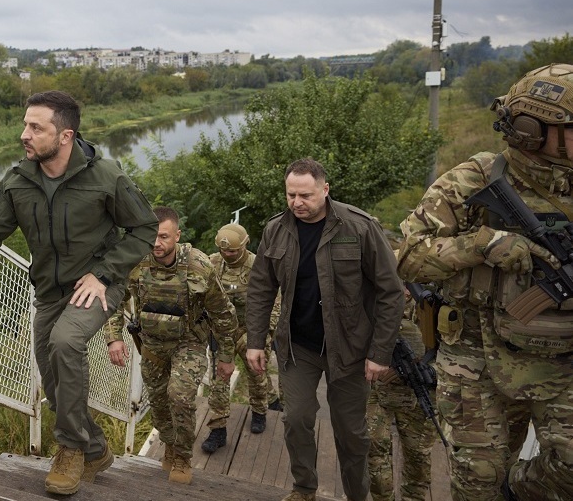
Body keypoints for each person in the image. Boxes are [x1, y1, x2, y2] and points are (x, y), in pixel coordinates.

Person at [0, 90, 158, 496]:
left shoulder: (106, 176)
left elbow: (144, 228)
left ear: (65, 136)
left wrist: (102, 274)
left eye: (35, 128)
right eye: (25, 125)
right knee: (53, 376)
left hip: (96, 286)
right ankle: (95, 449)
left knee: (65, 343)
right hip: (47, 290)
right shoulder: (18, 180)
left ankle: (71, 449)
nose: (24, 134)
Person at [398, 63, 573, 501]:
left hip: (562, 360)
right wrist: (480, 245)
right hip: (477, 358)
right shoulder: (476, 178)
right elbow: (408, 256)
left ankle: (516, 489)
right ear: (532, 130)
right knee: (478, 479)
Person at [245, 157, 403, 501]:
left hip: (349, 348)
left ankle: (356, 495)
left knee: (351, 432)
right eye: (291, 195)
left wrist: (380, 353)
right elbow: (260, 288)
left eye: (305, 195)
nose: (297, 203)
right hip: (298, 346)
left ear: (325, 189)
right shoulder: (275, 230)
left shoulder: (359, 227)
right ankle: (304, 488)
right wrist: (255, 340)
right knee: (296, 419)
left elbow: (391, 291)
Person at [103, 206, 237, 484]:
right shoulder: (136, 262)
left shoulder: (199, 266)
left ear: (177, 235)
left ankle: (183, 457)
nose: (156, 243)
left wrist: (226, 355)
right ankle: (171, 444)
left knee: (180, 396)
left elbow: (222, 312)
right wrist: (114, 338)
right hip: (152, 345)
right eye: (152, 236)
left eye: (163, 236)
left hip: (189, 343)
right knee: (159, 403)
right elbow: (114, 299)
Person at [202, 222, 282, 454]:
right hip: (222, 331)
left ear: (245, 245)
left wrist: (265, 333)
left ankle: (259, 411)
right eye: (224, 250)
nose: (228, 254)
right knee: (219, 379)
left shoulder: (259, 266)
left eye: (233, 251)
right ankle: (217, 428)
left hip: (252, 330)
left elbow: (275, 300)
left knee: (256, 373)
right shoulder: (212, 263)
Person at [366, 279, 438, 501]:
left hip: (420, 391)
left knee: (418, 457)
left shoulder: (438, 293)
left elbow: (458, 348)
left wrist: (430, 370)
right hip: (378, 388)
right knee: (373, 447)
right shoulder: (379, 284)